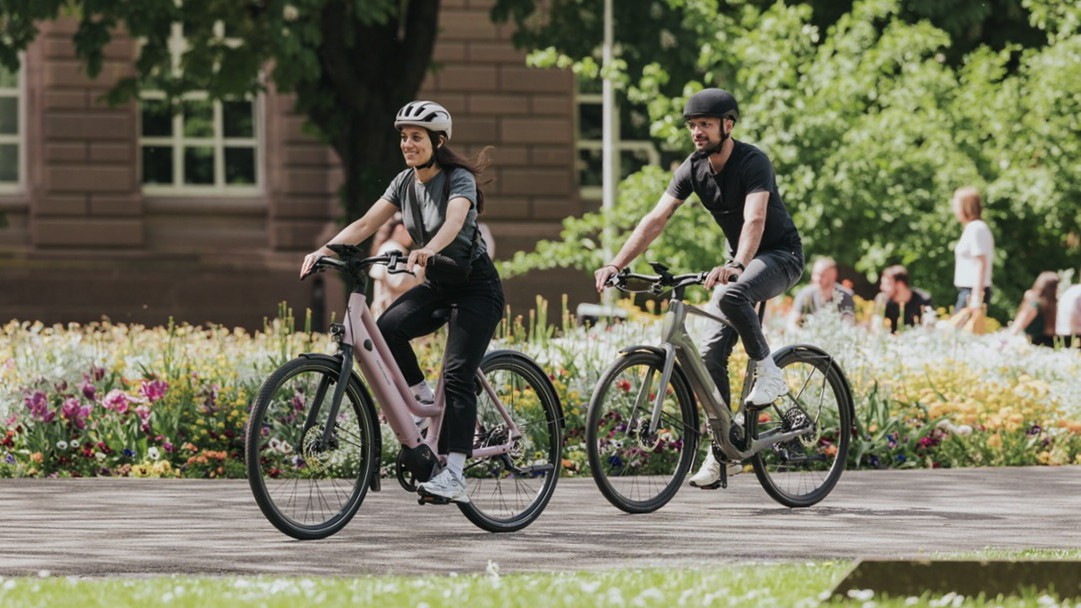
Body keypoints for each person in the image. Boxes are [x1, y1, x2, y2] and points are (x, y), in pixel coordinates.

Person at [593, 87, 804, 489]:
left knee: (734, 292)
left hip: (779, 254)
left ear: (728, 125)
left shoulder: (753, 161)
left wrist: (738, 265)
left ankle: (769, 372)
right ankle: (724, 450)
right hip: (740, 259)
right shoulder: (693, 168)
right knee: (708, 356)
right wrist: (617, 263)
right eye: (692, 125)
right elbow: (656, 218)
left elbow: (755, 220)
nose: (697, 132)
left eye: (704, 124)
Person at [300, 100, 503, 503]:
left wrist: (429, 250)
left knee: (459, 374)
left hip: (476, 286)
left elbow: (455, 220)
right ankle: (425, 400)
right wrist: (324, 249)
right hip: (440, 285)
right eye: (404, 138)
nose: (408, 144)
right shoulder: (403, 183)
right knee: (388, 329)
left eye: (417, 137)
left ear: (437, 141)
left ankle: (456, 475)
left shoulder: (457, 178)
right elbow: (364, 224)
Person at [368, 213, 424, 317]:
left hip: (389, 311)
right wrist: (420, 269)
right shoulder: (392, 249)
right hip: (390, 311)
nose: (412, 237)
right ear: (400, 228)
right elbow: (398, 281)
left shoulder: (389, 247)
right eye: (410, 231)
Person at [952, 186, 994, 312]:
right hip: (969, 290)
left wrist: (976, 297)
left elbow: (981, 263)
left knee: (957, 331)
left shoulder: (976, 228)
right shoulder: (972, 228)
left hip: (972, 291)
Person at [787, 257, 855, 330]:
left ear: (833, 275)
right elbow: (792, 322)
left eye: (822, 275)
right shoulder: (805, 294)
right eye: (815, 274)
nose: (817, 278)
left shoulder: (845, 296)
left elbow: (847, 324)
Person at [873, 265, 933, 333]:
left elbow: (929, 328)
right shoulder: (882, 300)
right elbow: (876, 329)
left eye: (887, 284)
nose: (882, 288)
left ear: (900, 284)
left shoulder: (923, 299)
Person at [1009, 272, 1059, 347]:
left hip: (1033, 345)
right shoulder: (1053, 307)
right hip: (1049, 345)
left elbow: (1018, 325)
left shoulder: (1035, 305)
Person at [1056, 281, 1081, 347]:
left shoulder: (1072, 290)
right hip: (1071, 339)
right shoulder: (1078, 296)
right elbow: (1074, 328)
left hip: (1061, 336)